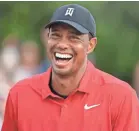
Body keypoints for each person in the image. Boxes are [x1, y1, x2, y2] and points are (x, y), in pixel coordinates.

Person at [2, 4, 139, 131]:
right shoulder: (20, 94)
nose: (62, 44)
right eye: (56, 35)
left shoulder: (121, 97)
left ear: (90, 45)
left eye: (73, 37)